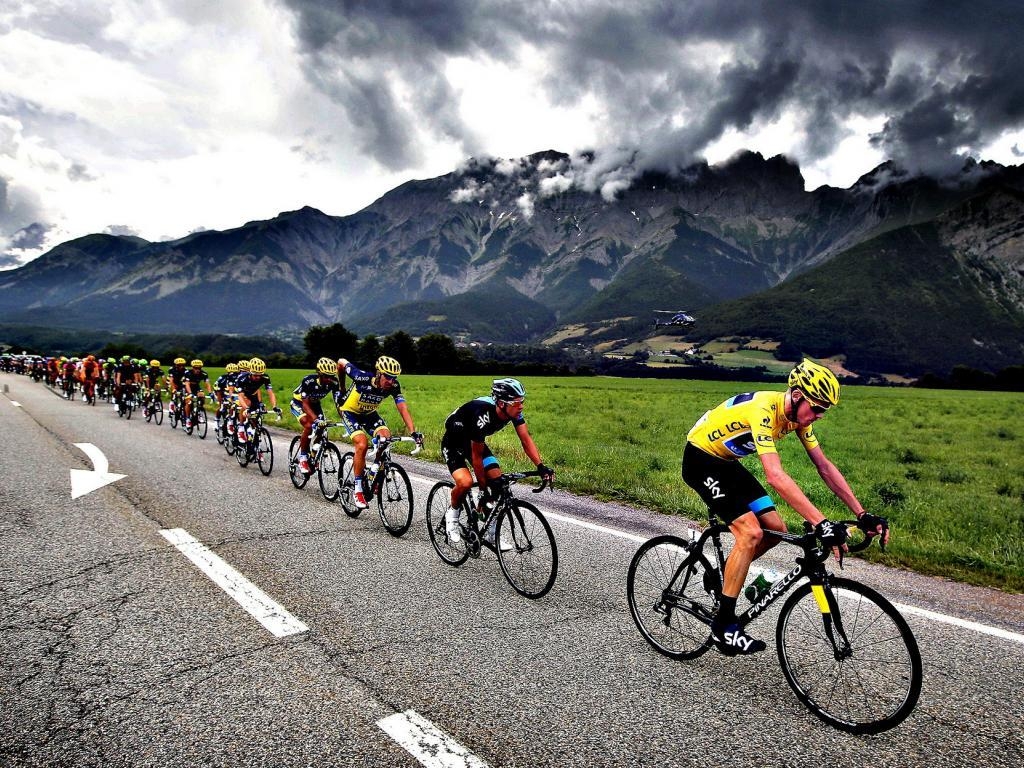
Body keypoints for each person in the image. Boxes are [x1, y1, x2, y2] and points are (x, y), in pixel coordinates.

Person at [681, 358, 888, 656]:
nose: (818, 416)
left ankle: (725, 576)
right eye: (816, 408)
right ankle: (724, 626)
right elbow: (775, 476)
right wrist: (821, 522)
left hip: (726, 463)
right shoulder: (765, 410)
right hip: (701, 460)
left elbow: (824, 467)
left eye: (823, 411)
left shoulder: (798, 419)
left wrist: (861, 513)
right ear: (797, 395)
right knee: (750, 533)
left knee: (776, 530)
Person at [440, 377, 553, 546]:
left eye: (522, 401)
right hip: (454, 442)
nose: (521, 406)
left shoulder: (513, 412)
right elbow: (476, 457)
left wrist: (541, 466)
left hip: (473, 442)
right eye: (516, 402)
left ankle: (490, 532)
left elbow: (525, 440)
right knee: (465, 482)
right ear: (501, 403)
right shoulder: (483, 416)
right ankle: (453, 515)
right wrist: (483, 489)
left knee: (498, 482)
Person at [335, 355, 422, 509]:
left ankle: (374, 474)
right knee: (362, 444)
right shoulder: (361, 377)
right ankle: (358, 489)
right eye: (388, 377)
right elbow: (341, 362)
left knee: (386, 438)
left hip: (369, 414)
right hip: (350, 412)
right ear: (378, 373)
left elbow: (402, 407)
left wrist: (413, 432)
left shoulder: (393, 386)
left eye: (394, 378)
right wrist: (341, 387)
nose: (391, 381)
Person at [290, 357, 344, 474]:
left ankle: (313, 456)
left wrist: (345, 418)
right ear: (319, 374)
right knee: (309, 426)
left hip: (315, 404)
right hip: (299, 403)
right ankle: (303, 458)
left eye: (331, 376)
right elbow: (305, 405)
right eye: (326, 376)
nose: (329, 379)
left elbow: (338, 403)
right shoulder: (308, 381)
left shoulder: (334, 382)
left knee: (322, 428)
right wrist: (315, 419)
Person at [233, 357, 280, 444]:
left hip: (253, 394)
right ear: (250, 372)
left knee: (256, 418)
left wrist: (274, 406)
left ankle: (255, 445)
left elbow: (271, 393)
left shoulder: (265, 377)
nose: (258, 377)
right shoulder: (242, 378)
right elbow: (240, 396)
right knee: (247, 404)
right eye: (255, 375)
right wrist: (246, 408)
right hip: (242, 394)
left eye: (260, 375)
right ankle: (241, 427)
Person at [182, 359, 212, 428]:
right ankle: (187, 419)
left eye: (199, 368)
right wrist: (190, 393)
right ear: (192, 368)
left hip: (196, 386)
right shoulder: (188, 373)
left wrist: (210, 392)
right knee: (188, 401)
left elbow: (207, 384)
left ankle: (200, 412)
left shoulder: (204, 373)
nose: (197, 370)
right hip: (187, 387)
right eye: (196, 368)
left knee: (202, 396)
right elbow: (187, 384)